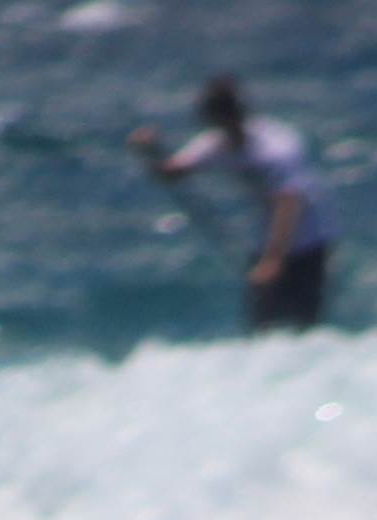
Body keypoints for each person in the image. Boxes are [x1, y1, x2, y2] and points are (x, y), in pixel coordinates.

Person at [130, 76, 337, 334]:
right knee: (262, 322)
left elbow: (289, 202)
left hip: (309, 240)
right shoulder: (217, 143)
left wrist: (273, 261)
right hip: (266, 242)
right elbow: (173, 173)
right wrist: (150, 150)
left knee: (304, 320)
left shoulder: (276, 148)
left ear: (236, 114)